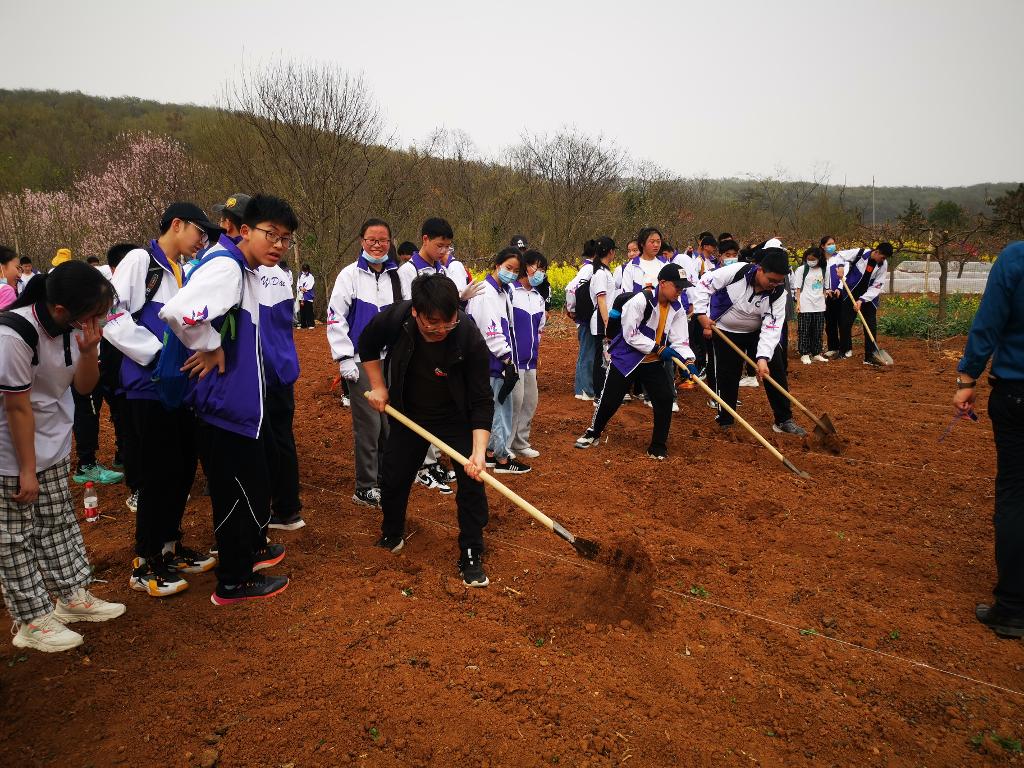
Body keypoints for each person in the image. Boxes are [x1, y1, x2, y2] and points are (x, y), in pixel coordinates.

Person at [160, 194, 297, 606]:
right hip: (225, 406)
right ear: (244, 230)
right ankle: (234, 581)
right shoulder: (226, 268)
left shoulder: (245, 269)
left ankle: (248, 553)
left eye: (286, 238)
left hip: (241, 405)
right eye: (270, 234)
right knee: (240, 490)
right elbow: (178, 311)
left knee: (255, 479)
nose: (278, 244)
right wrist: (211, 342)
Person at [0, 261, 126, 652]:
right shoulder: (13, 334)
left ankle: (71, 597)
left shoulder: (74, 332)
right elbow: (17, 409)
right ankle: (31, 619)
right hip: (10, 449)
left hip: (52, 441)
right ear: (60, 311)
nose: (99, 321)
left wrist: (89, 351)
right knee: (15, 536)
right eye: (93, 315)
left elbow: (84, 387)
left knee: (57, 521)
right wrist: (27, 470)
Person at [105, 202, 222, 597]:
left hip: (179, 386)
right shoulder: (142, 260)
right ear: (177, 224)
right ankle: (145, 560)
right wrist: (156, 353)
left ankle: (170, 545)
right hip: (147, 385)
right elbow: (110, 314)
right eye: (198, 232)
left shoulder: (182, 273)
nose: (201, 241)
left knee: (181, 467)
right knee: (157, 472)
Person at [360, 274, 494, 587]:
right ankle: (392, 532)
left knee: (472, 482)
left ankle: (472, 550)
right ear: (416, 313)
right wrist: (378, 387)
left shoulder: (468, 336)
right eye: (432, 323)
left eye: (448, 323)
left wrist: (477, 453)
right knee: (393, 477)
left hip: (455, 418)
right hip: (409, 413)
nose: (441, 330)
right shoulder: (398, 317)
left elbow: (481, 399)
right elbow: (366, 342)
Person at [954, 241, 1024, 637]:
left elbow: (989, 323)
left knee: (1016, 493)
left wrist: (967, 378)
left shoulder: (1016, 259)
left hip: (1018, 391)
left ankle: (1014, 607)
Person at [575, 263, 695, 459]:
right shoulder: (640, 301)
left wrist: (689, 361)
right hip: (627, 357)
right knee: (610, 399)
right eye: (677, 287)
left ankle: (658, 445)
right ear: (662, 283)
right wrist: (658, 348)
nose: (679, 292)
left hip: (652, 360)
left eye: (682, 289)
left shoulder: (677, 308)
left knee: (664, 399)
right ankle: (593, 432)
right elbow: (630, 335)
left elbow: (680, 338)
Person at [398, 217, 482, 493]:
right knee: (421, 406)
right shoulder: (408, 272)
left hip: (443, 347)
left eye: (447, 247)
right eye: (439, 245)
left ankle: (433, 462)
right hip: (418, 348)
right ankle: (422, 467)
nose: (443, 251)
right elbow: (407, 312)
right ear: (424, 240)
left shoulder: (441, 270)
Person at [327, 218, 402, 508]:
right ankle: (366, 485)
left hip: (390, 360)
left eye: (383, 240)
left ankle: (384, 478)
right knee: (369, 425)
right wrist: (345, 357)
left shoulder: (397, 277)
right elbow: (335, 318)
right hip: (361, 361)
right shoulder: (349, 276)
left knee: (389, 424)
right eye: (372, 240)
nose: (377, 245)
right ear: (361, 241)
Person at [693, 246, 807, 436]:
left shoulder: (778, 293)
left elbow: (772, 327)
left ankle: (783, 419)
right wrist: (700, 314)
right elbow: (705, 284)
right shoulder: (738, 271)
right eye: (771, 279)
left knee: (775, 370)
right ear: (760, 269)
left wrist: (762, 357)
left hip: (756, 332)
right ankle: (726, 419)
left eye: (779, 282)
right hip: (725, 330)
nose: (774, 284)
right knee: (727, 375)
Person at [467, 247, 531, 474]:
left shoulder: (502, 292)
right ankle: (501, 458)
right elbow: (491, 331)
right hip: (492, 361)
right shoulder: (486, 293)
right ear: (497, 265)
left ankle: (494, 452)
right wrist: (507, 359)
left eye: (516, 270)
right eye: (508, 268)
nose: (512, 273)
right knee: (499, 408)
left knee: (498, 407)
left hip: (496, 361)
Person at [100, 243, 140, 512]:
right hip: (118, 379)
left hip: (138, 379)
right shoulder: (107, 300)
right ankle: (138, 488)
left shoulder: (139, 295)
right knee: (129, 431)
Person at [509, 250, 547, 460]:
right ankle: (503, 445)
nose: (539, 273)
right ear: (525, 266)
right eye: (536, 267)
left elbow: (539, 329)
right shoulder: (511, 293)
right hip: (513, 360)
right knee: (514, 402)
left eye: (543, 269)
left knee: (529, 401)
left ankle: (520, 442)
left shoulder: (538, 298)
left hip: (530, 361)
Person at [837, 242, 892, 364]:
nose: (883, 260)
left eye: (885, 258)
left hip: (868, 298)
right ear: (876, 252)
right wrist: (840, 266)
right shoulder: (860, 253)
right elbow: (840, 255)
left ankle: (870, 356)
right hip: (851, 292)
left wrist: (862, 300)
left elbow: (877, 285)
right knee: (845, 323)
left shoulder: (883, 264)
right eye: (882, 257)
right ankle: (844, 351)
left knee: (870, 325)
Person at [565, 240, 598, 400]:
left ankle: (582, 389)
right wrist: (572, 310)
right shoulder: (590, 269)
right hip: (587, 318)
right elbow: (571, 289)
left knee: (587, 352)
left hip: (586, 317)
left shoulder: (589, 268)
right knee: (588, 352)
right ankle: (585, 389)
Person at [588, 237, 618, 400]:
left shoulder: (604, 271)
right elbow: (601, 300)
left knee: (606, 356)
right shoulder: (600, 273)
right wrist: (608, 324)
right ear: (611, 252)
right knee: (602, 357)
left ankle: (603, 392)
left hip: (604, 319)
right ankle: (599, 395)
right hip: (601, 320)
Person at [795, 246, 829, 364]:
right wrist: (798, 303)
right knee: (804, 330)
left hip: (819, 305)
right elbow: (798, 289)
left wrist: (824, 299)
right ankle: (804, 353)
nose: (811, 261)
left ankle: (816, 353)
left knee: (818, 330)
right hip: (805, 304)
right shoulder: (801, 270)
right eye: (808, 259)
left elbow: (825, 287)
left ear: (819, 258)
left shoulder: (824, 270)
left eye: (813, 259)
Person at [620, 227, 668, 293]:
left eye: (658, 241)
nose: (656, 245)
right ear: (642, 244)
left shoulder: (665, 264)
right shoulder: (631, 266)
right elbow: (627, 296)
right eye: (652, 242)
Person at [820, 236, 844, 357]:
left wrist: (839, 288)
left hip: (839, 294)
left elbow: (844, 274)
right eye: (829, 244)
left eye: (833, 243)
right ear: (823, 246)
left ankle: (844, 348)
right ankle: (833, 347)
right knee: (830, 323)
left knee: (842, 321)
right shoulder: (820, 261)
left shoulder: (839, 257)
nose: (832, 246)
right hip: (826, 295)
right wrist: (825, 289)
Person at [297, 264, 315, 329]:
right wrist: (300, 287)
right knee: (302, 310)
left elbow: (310, 285)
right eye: (304, 270)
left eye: (306, 270)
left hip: (308, 294)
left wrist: (304, 289)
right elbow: (298, 283)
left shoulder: (311, 276)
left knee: (309, 310)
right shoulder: (300, 275)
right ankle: (303, 324)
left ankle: (311, 324)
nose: (304, 271)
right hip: (301, 294)